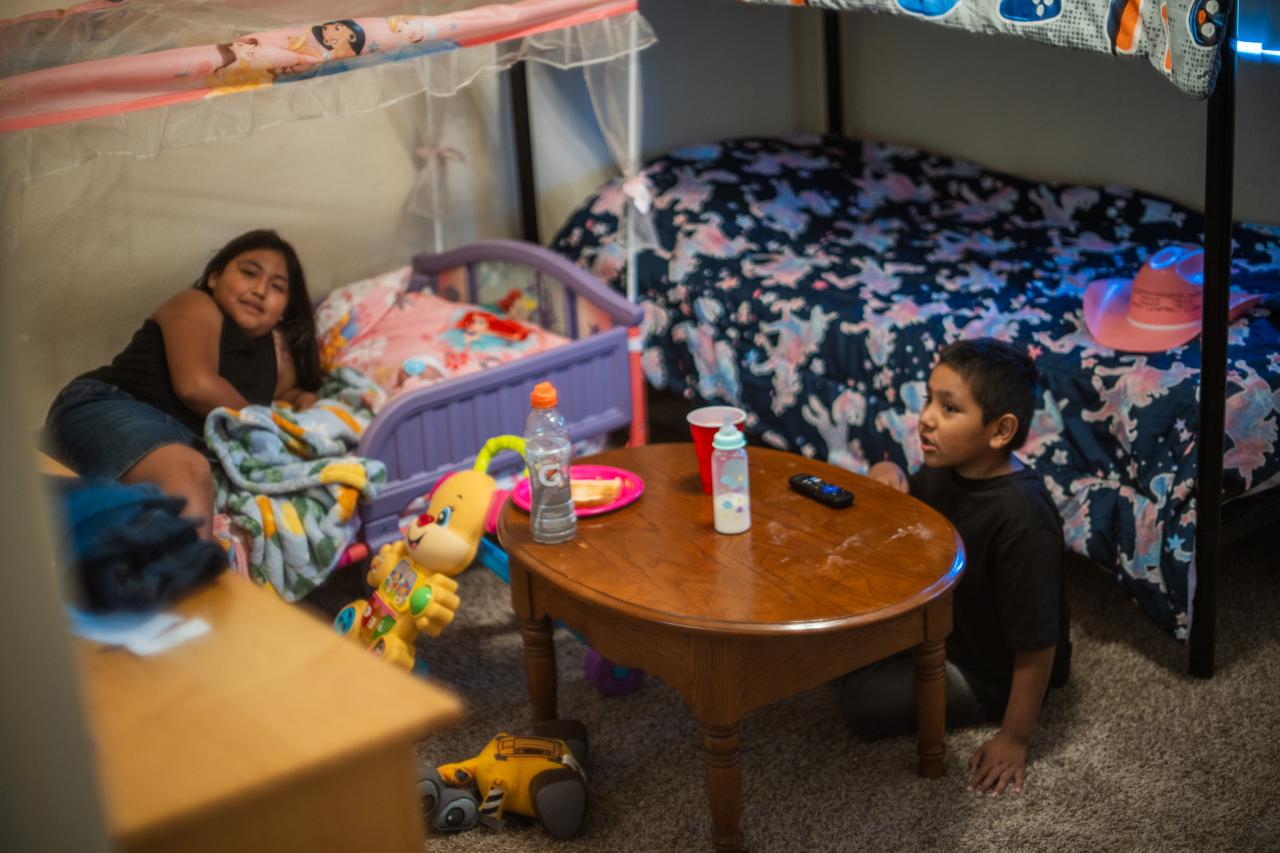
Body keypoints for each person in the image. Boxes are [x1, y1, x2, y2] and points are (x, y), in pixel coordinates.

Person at [841, 337, 1070, 797]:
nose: (926, 417)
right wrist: (891, 483)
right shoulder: (947, 464)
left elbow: (1039, 644)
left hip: (989, 672)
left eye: (949, 408)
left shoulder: (1023, 522)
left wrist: (1015, 737)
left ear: (1000, 431)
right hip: (946, 624)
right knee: (832, 625)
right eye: (929, 399)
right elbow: (918, 531)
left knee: (859, 701)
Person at [43, 229, 322, 539]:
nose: (259, 290)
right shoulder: (197, 304)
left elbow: (289, 395)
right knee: (187, 470)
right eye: (248, 273)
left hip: (177, 441)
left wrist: (303, 401)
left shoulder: (276, 354)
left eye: (277, 287)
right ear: (215, 278)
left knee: (164, 488)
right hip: (114, 405)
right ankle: (190, 580)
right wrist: (271, 428)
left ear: (285, 308)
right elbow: (196, 386)